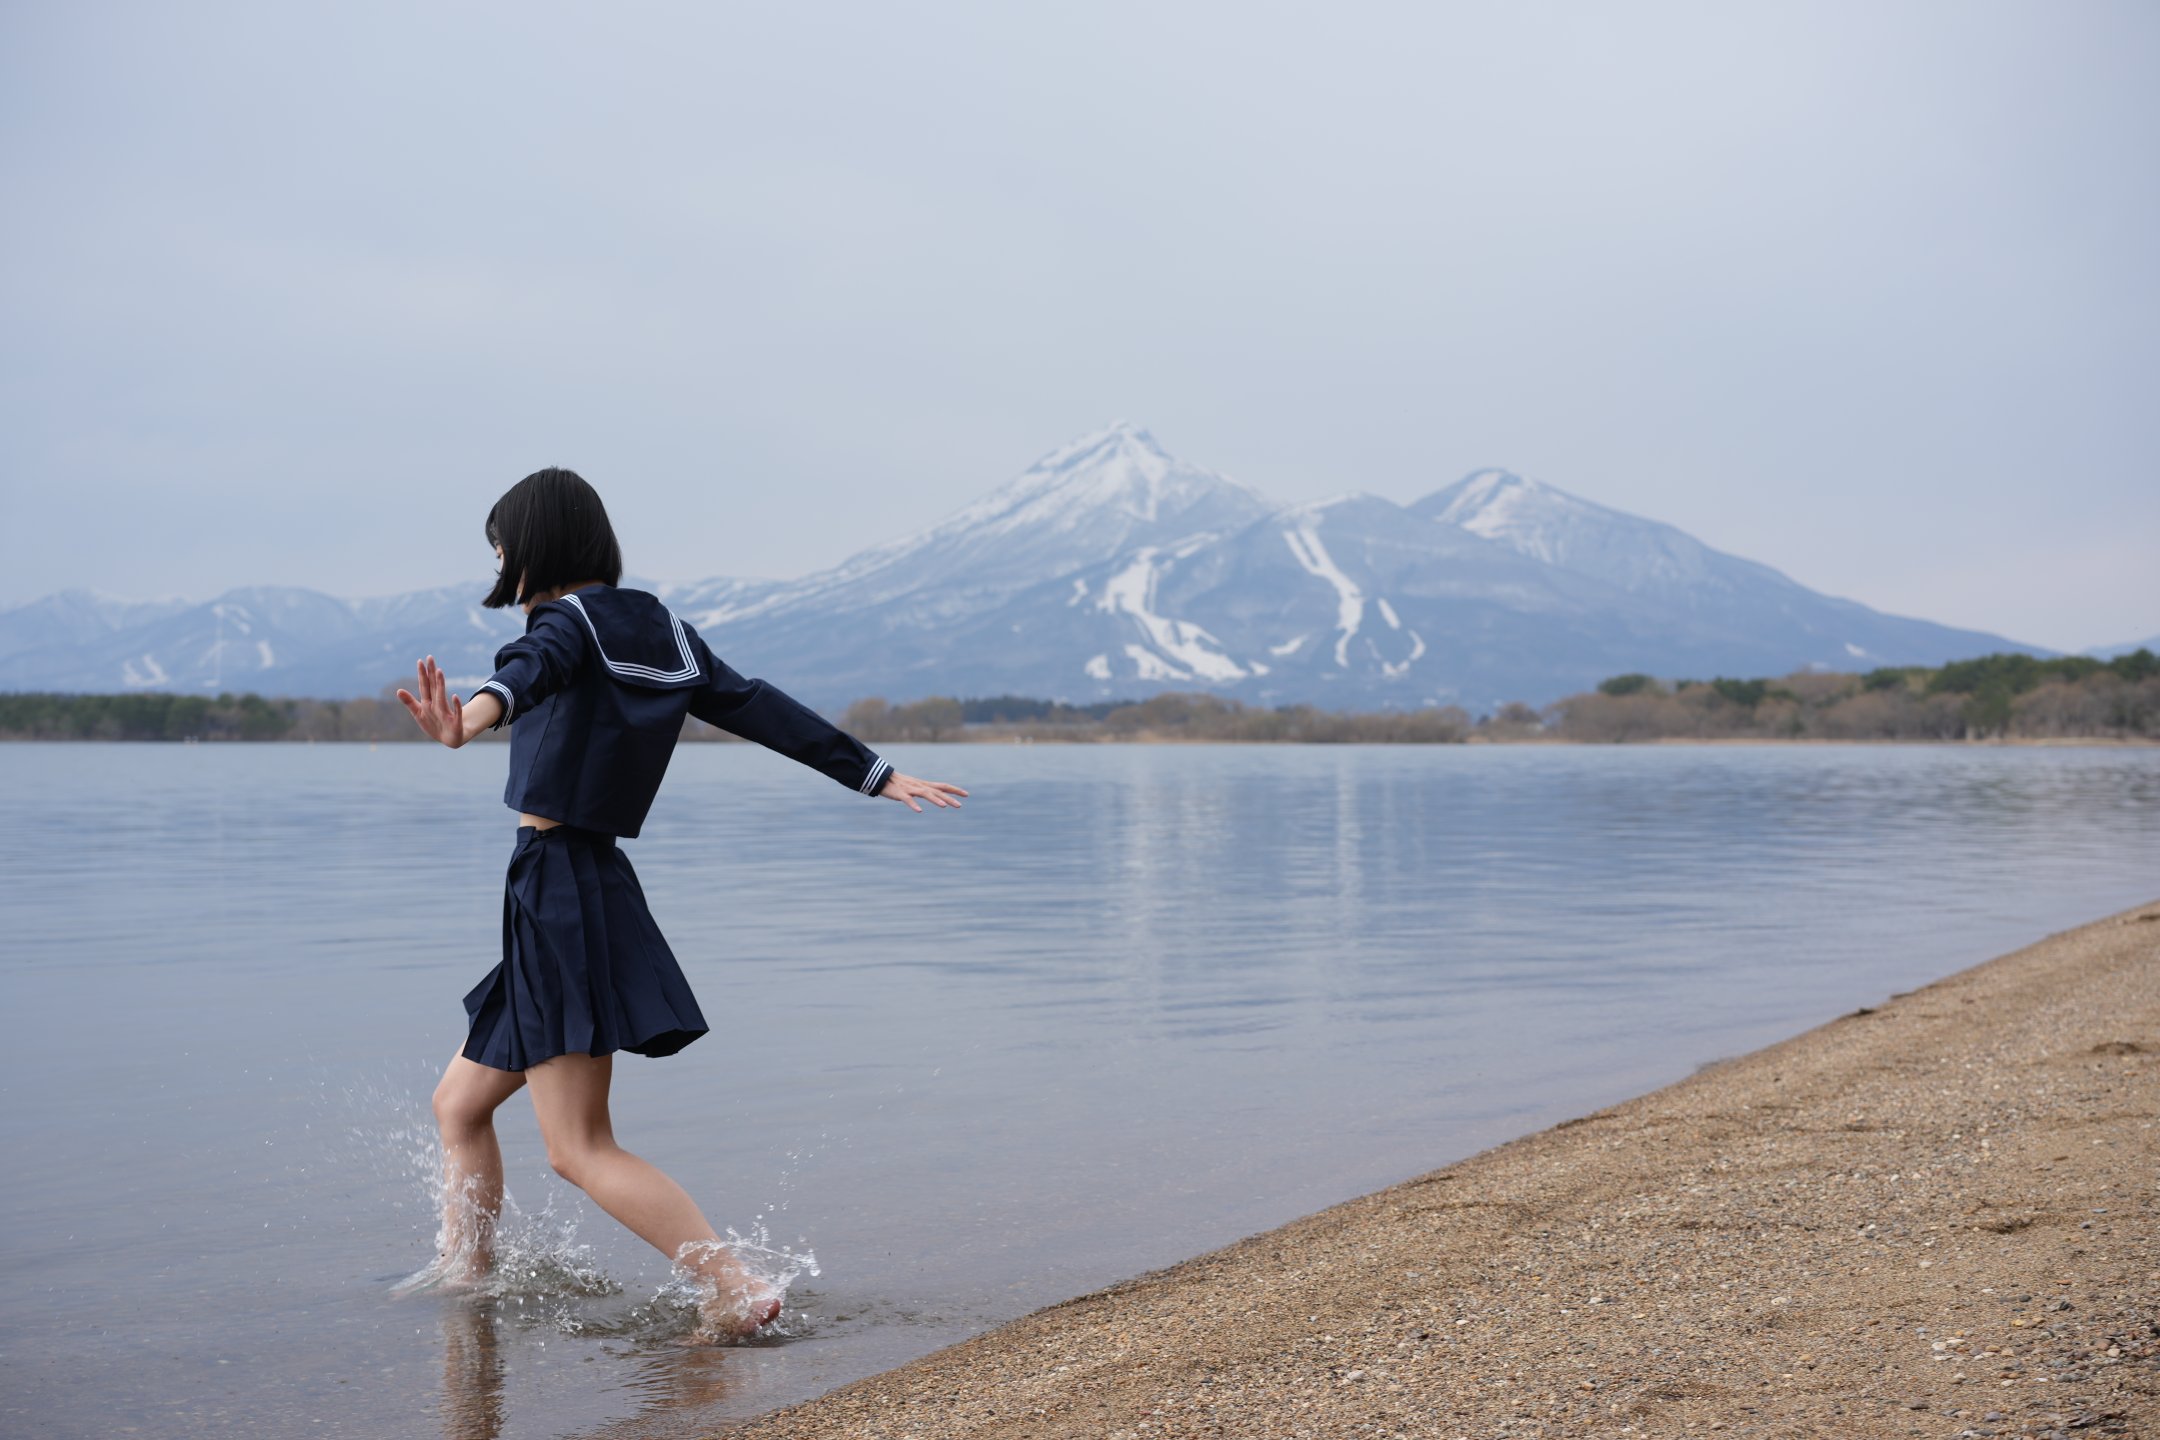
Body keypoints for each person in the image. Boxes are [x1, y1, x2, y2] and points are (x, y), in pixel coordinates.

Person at [395, 467, 966, 1343]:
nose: (499, 560)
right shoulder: (658, 626)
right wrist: (873, 772)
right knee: (460, 1105)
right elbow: (757, 707)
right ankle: (469, 1282)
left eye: (502, 543)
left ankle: (733, 1284)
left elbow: (527, 671)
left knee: (577, 1147)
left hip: (559, 889)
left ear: (535, 544)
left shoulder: (565, 625)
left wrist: (468, 720)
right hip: (577, 886)